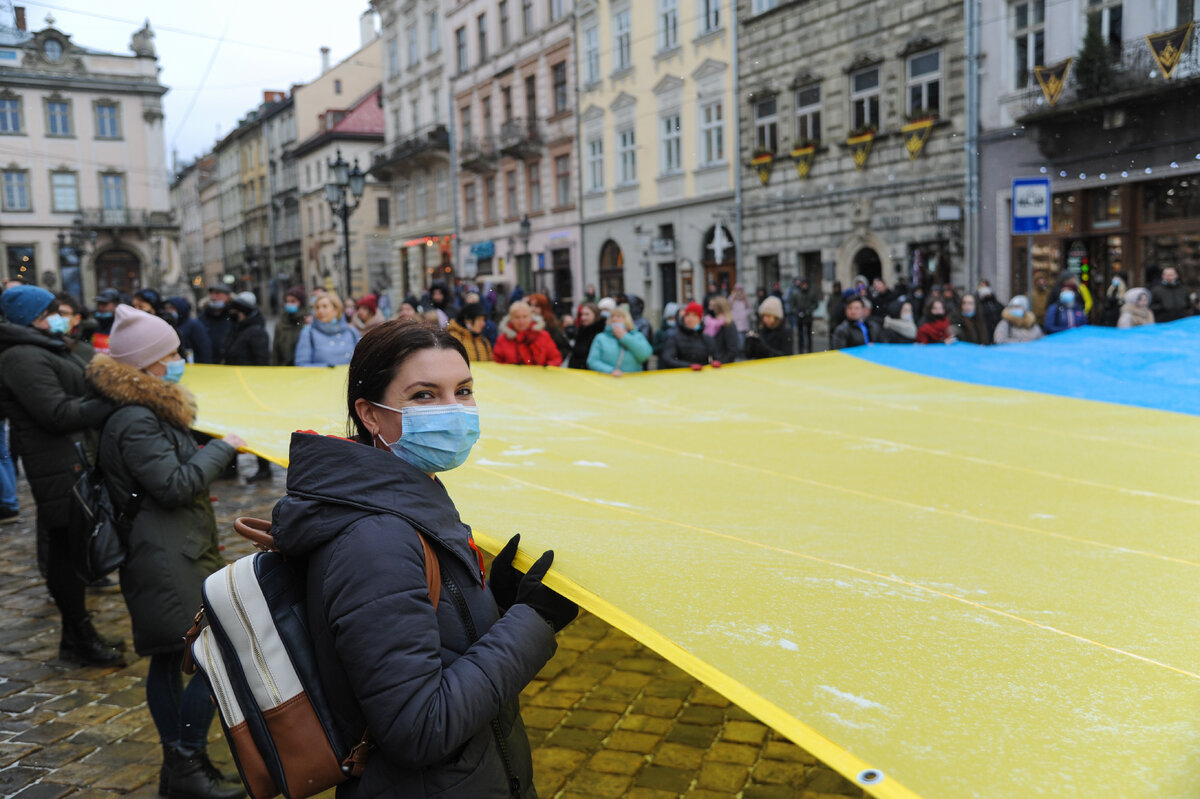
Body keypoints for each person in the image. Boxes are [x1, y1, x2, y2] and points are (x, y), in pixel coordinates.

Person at [272, 321, 575, 797]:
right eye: (424, 396)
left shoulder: (408, 494)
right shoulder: (375, 539)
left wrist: (494, 602)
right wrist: (535, 622)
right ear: (370, 414)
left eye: (464, 390)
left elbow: (425, 640)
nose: (453, 410)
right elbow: (419, 728)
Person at [86, 306, 245, 799]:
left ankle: (181, 771)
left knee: (167, 657)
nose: (180, 359)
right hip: (165, 555)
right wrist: (222, 448)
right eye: (172, 352)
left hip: (171, 547)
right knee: (213, 654)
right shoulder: (135, 419)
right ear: (149, 364)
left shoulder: (146, 411)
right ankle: (187, 761)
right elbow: (175, 485)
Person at [0, 285, 122, 665]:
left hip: (70, 459)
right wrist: (109, 402)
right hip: (56, 466)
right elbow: (56, 413)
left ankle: (77, 636)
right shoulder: (21, 356)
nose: (62, 316)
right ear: (34, 316)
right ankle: (79, 638)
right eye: (53, 311)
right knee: (65, 554)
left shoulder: (45, 345)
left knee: (71, 549)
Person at [223, 292, 272, 483]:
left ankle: (264, 466)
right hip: (235, 386)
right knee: (233, 425)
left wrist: (256, 385)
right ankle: (230, 465)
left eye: (235, 310)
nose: (232, 313)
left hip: (251, 387)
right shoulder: (236, 328)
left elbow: (262, 362)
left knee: (256, 426)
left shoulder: (257, 331)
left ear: (242, 312)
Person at [295, 292, 361, 367]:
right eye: (317, 307)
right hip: (320, 378)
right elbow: (301, 364)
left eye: (325, 306)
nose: (320, 310)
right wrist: (328, 367)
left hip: (349, 378)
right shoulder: (308, 333)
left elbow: (361, 361)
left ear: (336, 309)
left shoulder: (351, 331)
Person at [586, 304, 652, 376]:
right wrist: (610, 370)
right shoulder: (601, 338)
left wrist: (625, 337)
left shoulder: (637, 336)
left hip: (632, 381)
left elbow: (645, 355)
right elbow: (592, 361)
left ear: (627, 320)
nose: (614, 319)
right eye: (612, 317)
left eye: (619, 317)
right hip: (607, 381)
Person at [493, 300, 563, 366]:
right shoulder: (502, 339)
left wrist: (545, 368)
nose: (521, 321)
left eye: (525, 317)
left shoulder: (543, 336)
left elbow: (556, 358)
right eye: (517, 317)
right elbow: (497, 363)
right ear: (511, 319)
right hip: (511, 378)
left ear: (531, 317)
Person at [661, 302, 715, 369]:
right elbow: (668, 359)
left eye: (694, 315)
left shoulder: (707, 339)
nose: (690, 318)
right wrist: (689, 366)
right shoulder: (673, 336)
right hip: (680, 376)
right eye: (688, 315)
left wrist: (715, 363)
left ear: (700, 319)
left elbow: (715, 357)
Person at [163, 296, 212, 364]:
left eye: (172, 308)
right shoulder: (167, 324)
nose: (168, 311)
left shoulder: (194, 325)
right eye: (166, 308)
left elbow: (204, 349)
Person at [527, 293, 571, 363]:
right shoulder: (524, 323)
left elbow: (564, 348)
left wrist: (551, 362)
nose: (532, 309)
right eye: (530, 305)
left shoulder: (551, 325)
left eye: (536, 306)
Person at [744, 295, 791, 360]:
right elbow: (749, 355)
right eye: (763, 316)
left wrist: (764, 347)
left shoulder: (785, 332)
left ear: (776, 317)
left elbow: (786, 357)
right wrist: (749, 342)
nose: (765, 319)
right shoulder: (762, 329)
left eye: (768, 316)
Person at [271, 287, 307, 366]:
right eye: (287, 301)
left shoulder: (307, 321)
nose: (289, 304)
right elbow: (275, 351)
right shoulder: (281, 324)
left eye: (293, 301)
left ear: (301, 302)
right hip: (285, 369)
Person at [199, 286, 233, 363]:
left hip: (231, 363)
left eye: (217, 294)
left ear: (227, 297)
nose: (213, 297)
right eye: (211, 294)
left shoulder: (234, 315)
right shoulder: (202, 316)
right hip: (208, 363)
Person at [568, 302, 606, 369]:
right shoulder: (581, 331)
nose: (583, 317)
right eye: (582, 314)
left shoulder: (603, 332)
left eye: (587, 314)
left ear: (596, 315)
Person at [788, 277, 821, 354]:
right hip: (799, 317)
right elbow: (792, 305)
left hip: (808, 317)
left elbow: (815, 304)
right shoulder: (796, 293)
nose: (804, 286)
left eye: (806, 284)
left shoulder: (811, 293)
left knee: (809, 334)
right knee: (800, 335)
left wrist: (809, 311)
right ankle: (801, 350)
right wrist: (797, 312)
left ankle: (809, 350)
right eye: (803, 285)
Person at [707, 296, 741, 364]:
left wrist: (722, 362)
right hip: (714, 362)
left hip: (723, 364)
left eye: (713, 306)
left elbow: (732, 349)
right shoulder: (713, 323)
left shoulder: (728, 325)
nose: (711, 309)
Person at [825, 282, 846, 348]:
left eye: (837, 287)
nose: (836, 289)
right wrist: (831, 313)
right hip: (832, 321)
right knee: (831, 336)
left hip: (840, 320)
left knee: (840, 336)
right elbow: (828, 306)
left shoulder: (842, 296)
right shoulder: (831, 297)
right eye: (835, 287)